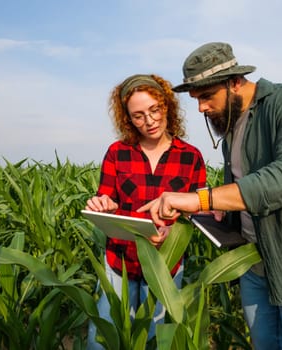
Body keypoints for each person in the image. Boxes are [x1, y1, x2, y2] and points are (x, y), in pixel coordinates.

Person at [138, 42, 282, 349]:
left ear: (234, 82)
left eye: (206, 96)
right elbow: (246, 190)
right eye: (196, 99)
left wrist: (202, 199)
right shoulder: (231, 126)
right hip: (253, 267)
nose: (200, 107)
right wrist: (217, 212)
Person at [85, 73, 207, 349]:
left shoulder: (191, 156)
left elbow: (196, 210)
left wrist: (176, 225)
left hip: (166, 265)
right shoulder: (117, 152)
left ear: (167, 107)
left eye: (155, 110)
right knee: (102, 341)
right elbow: (106, 196)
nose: (149, 121)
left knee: (158, 341)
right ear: (128, 119)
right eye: (138, 115)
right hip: (120, 262)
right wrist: (103, 203)